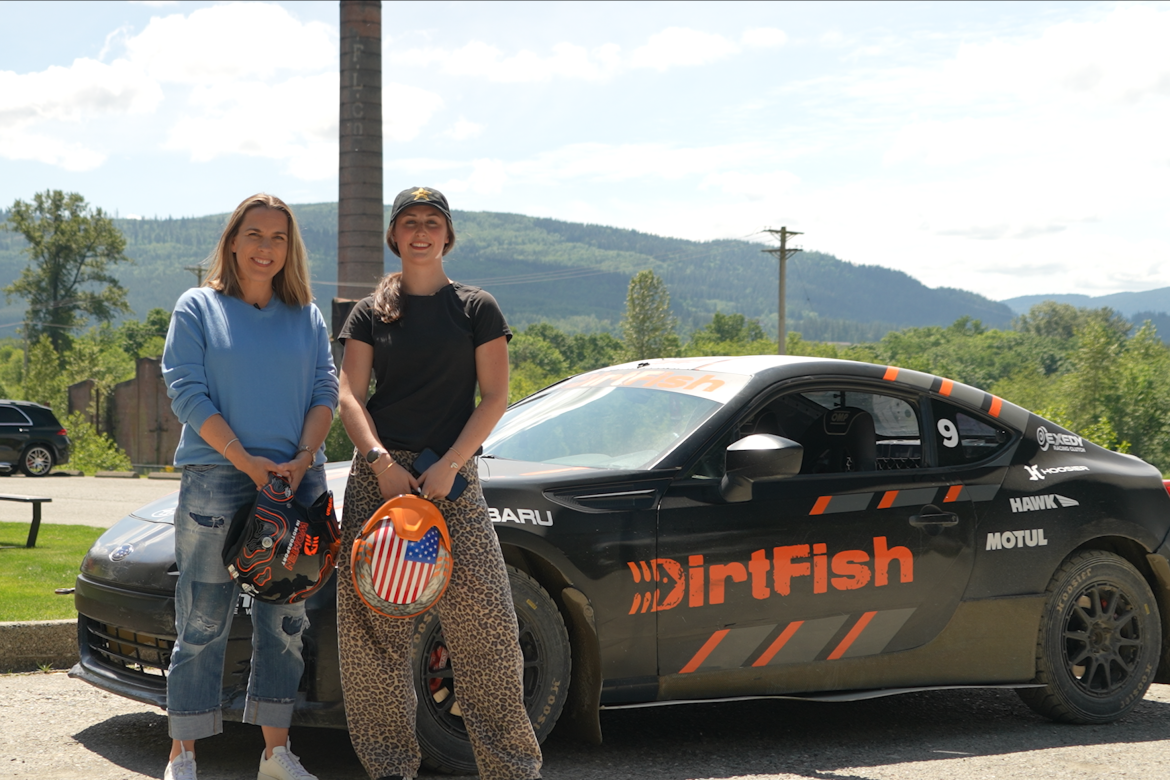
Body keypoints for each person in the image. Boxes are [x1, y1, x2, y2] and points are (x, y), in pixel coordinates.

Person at [335, 186, 541, 780]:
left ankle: (512, 771)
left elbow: (495, 397)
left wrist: (451, 463)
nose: (421, 232)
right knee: (374, 638)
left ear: (447, 236)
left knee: (488, 630)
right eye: (409, 222)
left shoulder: (477, 309)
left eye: (432, 222)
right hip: (381, 482)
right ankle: (391, 769)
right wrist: (380, 462)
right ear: (394, 236)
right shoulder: (369, 312)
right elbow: (348, 396)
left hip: (452, 480)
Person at [160, 193, 338, 780]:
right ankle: (183, 756)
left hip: (296, 482)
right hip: (217, 476)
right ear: (233, 241)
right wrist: (244, 459)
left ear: (290, 248)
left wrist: (303, 458)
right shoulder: (197, 307)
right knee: (202, 620)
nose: (266, 248)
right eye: (255, 235)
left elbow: (325, 390)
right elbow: (185, 390)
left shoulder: (306, 315)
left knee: (285, 626)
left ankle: (275, 755)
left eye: (278, 237)